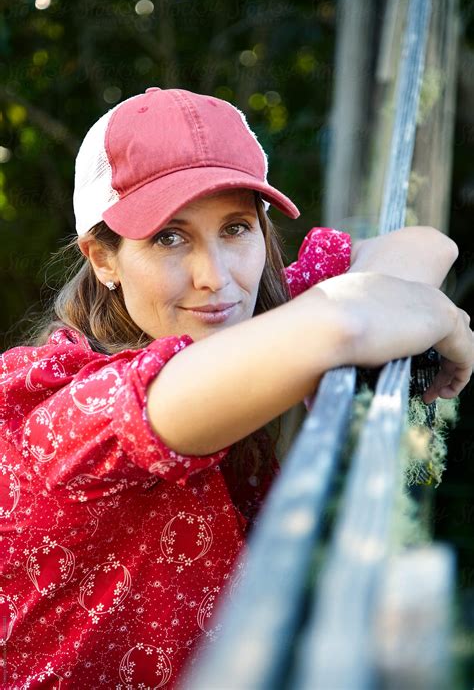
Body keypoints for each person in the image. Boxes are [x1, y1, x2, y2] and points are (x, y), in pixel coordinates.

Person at [0, 87, 472, 689]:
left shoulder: (249, 329)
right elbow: (343, 319)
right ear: (103, 258)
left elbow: (424, 247)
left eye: (235, 228)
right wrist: (444, 318)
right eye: (170, 237)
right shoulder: (60, 407)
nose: (215, 278)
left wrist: (397, 309)